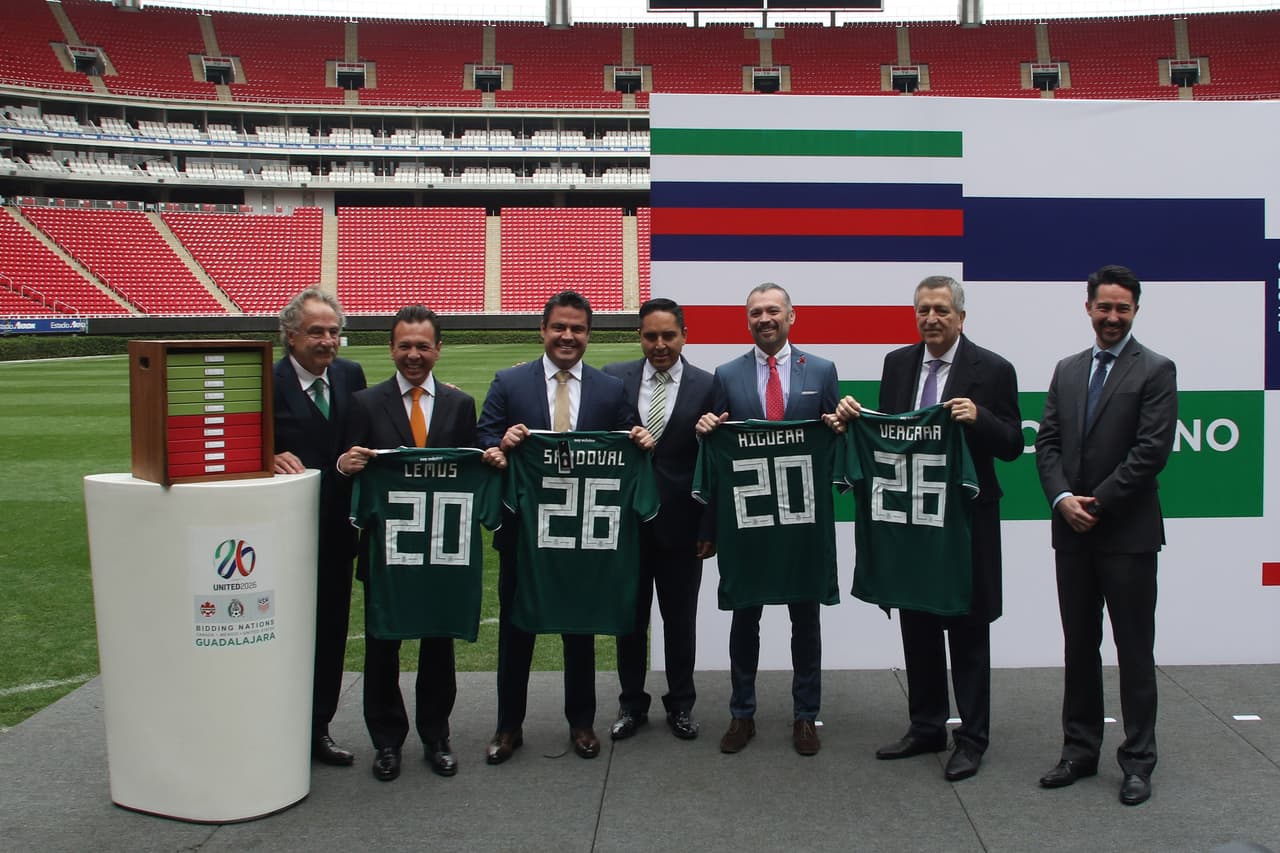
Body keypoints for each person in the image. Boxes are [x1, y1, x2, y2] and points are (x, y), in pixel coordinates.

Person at [835, 275, 1021, 781]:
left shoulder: (993, 369)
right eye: (923, 310)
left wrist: (979, 417)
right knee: (916, 624)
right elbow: (890, 434)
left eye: (941, 310)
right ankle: (925, 726)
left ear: (961, 317)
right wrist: (852, 418)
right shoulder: (897, 363)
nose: (931, 319)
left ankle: (973, 737)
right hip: (911, 517)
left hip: (965, 521)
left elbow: (1012, 444)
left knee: (967, 627)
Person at [476, 290, 653, 764]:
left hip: (584, 535)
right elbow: (483, 437)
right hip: (523, 535)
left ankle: (582, 723)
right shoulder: (509, 382)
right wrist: (500, 443)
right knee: (517, 631)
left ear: (588, 335)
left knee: (581, 630)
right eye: (559, 327)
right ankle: (508, 726)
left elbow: (627, 441)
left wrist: (638, 436)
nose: (567, 336)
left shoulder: (609, 388)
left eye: (577, 329)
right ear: (543, 329)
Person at [1035, 264, 1177, 806]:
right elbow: (1047, 443)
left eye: (1122, 308)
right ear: (1088, 308)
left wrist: (1097, 501)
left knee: (1134, 650)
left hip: (1128, 535)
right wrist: (1061, 500)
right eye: (1104, 307)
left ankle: (1138, 761)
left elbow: (1151, 451)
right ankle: (1079, 751)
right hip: (1071, 532)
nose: (1112, 316)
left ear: (1135, 310)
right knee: (1079, 647)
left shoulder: (1157, 370)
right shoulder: (1067, 369)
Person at [695, 282, 839, 756]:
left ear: (791, 316)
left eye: (773, 310)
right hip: (748, 519)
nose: (765, 318)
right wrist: (708, 429)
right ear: (747, 320)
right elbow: (717, 455)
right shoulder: (726, 373)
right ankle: (742, 714)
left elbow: (833, 445)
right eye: (756, 312)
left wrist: (839, 427)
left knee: (806, 620)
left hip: (801, 519)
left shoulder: (821, 369)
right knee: (745, 617)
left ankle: (805, 715)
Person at [337, 305, 478, 782]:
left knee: (438, 645)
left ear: (438, 349)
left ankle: (436, 735)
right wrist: (344, 466)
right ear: (391, 348)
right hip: (385, 551)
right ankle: (387, 742)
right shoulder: (364, 403)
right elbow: (352, 474)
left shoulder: (460, 406)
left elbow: (470, 468)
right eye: (404, 346)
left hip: (441, 549)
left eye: (422, 346)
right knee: (382, 646)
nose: (413, 355)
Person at [603, 298, 715, 742]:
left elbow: (716, 462)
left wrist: (710, 526)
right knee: (629, 620)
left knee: (680, 619)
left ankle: (681, 704)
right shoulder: (613, 378)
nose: (660, 345)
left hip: (683, 526)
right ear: (640, 337)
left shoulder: (708, 385)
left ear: (684, 336)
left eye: (668, 335)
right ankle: (631, 705)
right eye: (651, 336)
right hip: (628, 524)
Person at [272, 288, 367, 767]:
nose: (328, 341)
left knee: (330, 632)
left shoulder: (350, 375)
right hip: (283, 536)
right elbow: (239, 442)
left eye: (333, 332)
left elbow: (371, 428)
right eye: (316, 332)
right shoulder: (265, 381)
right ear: (290, 336)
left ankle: (318, 729)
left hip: (337, 531)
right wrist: (262, 456)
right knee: (281, 632)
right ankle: (276, 727)